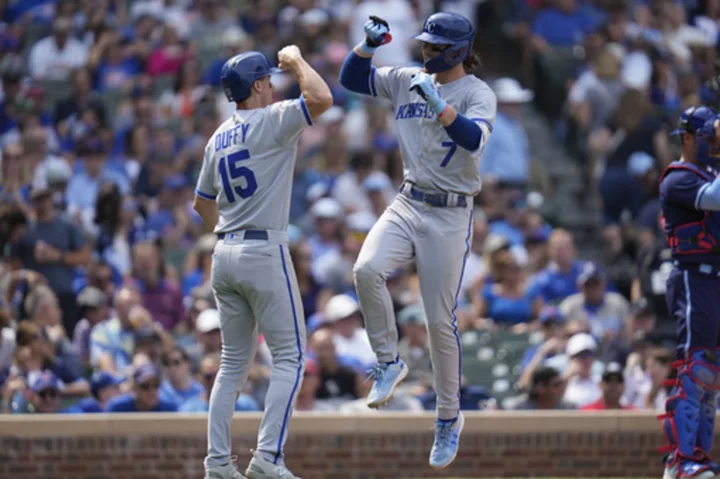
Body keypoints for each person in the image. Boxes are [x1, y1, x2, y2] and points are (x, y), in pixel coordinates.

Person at [339, 12, 496, 469]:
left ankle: (448, 417)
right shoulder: (409, 78)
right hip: (408, 201)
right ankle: (388, 362)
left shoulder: (476, 92)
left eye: (435, 46)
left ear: (458, 50)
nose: (426, 51)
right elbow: (353, 79)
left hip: (449, 213)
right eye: (425, 44)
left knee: (438, 322)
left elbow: (472, 140)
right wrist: (367, 46)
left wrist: (443, 107)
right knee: (366, 269)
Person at [192, 47, 332, 479]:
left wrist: (230, 228)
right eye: (268, 80)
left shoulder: (217, 136)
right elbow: (322, 98)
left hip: (224, 251)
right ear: (256, 85)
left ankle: (217, 463)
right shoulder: (272, 119)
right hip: (263, 249)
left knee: (232, 363)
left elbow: (201, 204)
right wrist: (297, 61)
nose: (273, 85)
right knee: (290, 357)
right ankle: (268, 458)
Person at [657, 105, 720, 479]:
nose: (713, 143)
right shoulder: (678, 177)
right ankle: (680, 461)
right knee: (695, 368)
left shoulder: (711, 172)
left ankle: (699, 456)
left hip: (715, 279)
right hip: (692, 277)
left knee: (712, 373)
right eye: (709, 137)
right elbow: (713, 199)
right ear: (688, 138)